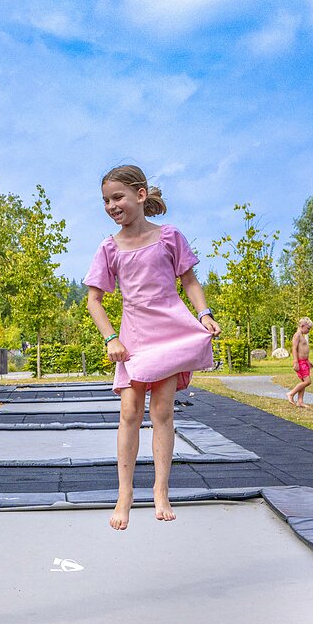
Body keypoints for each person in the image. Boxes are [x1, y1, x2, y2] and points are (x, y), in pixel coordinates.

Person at [85, 164, 219, 531]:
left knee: (162, 411)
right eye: (105, 200)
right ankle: (124, 493)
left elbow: (189, 280)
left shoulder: (170, 237)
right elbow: (93, 300)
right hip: (135, 337)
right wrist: (111, 337)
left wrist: (204, 314)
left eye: (117, 197)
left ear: (140, 195)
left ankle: (161, 490)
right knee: (129, 411)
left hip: (171, 332)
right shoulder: (109, 247)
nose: (111, 205)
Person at [287, 317, 313, 407]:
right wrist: (295, 361)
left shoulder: (301, 336)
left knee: (303, 382)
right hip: (300, 362)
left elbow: (302, 350)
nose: (309, 330)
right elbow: (294, 348)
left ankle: (300, 401)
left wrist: (308, 361)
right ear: (302, 326)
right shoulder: (297, 335)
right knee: (307, 381)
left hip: (304, 362)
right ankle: (291, 393)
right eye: (308, 328)